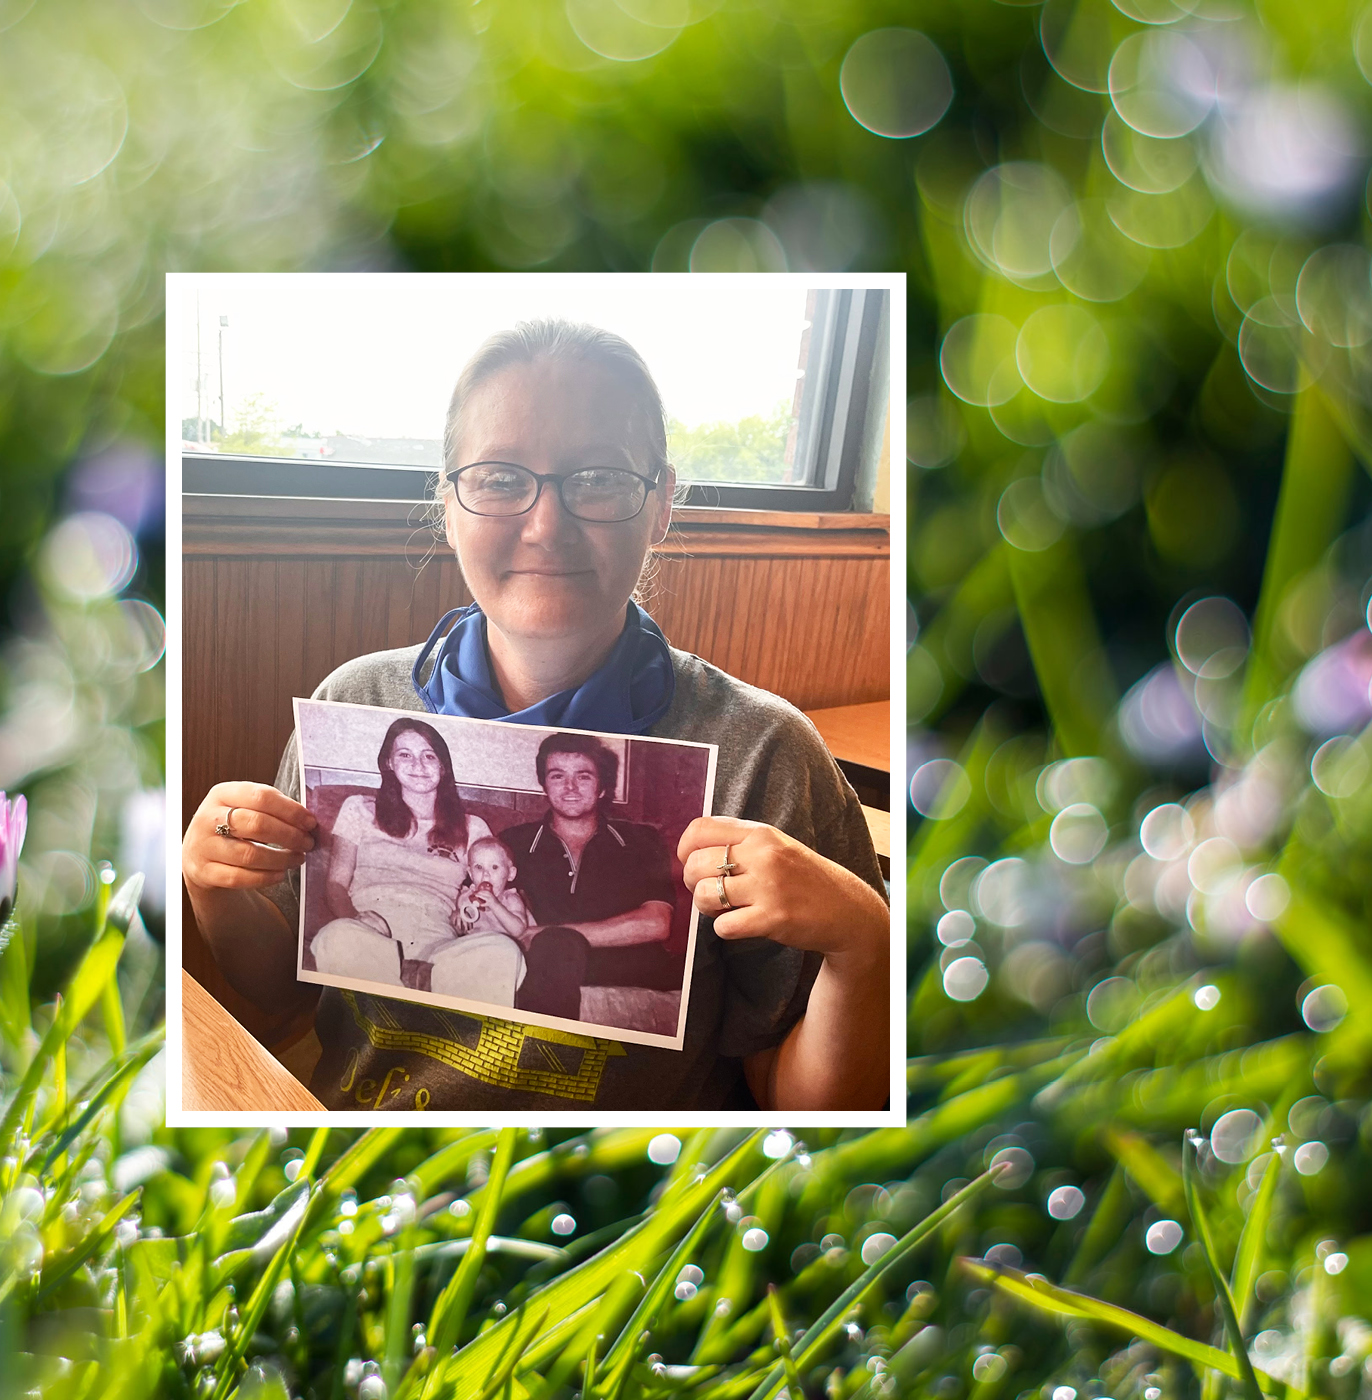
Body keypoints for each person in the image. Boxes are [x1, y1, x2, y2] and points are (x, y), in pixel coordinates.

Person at [184, 318, 890, 1111]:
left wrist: (867, 946)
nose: (547, 524)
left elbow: (804, 1110)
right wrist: (214, 889)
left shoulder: (764, 753)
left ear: (661, 505)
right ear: (447, 503)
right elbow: (277, 1006)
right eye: (498, 477)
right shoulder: (356, 703)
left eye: (599, 478)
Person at [307, 717, 524, 1007]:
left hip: (440, 942)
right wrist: (354, 919)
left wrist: (471, 907)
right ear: (388, 763)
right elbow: (335, 883)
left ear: (443, 767)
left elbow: (491, 886)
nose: (418, 765)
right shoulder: (359, 809)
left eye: (429, 756)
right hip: (370, 932)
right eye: (405, 755)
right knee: (334, 937)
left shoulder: (473, 828)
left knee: (504, 952)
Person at [498, 731, 681, 1023]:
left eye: (583, 776)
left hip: (628, 968)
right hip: (544, 970)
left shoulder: (640, 841)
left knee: (555, 945)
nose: (570, 787)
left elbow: (656, 923)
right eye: (557, 776)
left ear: (602, 787)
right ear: (543, 784)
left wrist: (550, 935)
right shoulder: (514, 843)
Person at [450, 836, 532, 940]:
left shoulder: (511, 899)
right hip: (478, 947)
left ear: (510, 874)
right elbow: (459, 929)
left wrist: (495, 904)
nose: (486, 875)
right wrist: (458, 917)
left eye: (494, 867)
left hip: (506, 947)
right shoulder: (466, 897)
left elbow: (518, 931)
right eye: (479, 867)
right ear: (470, 873)